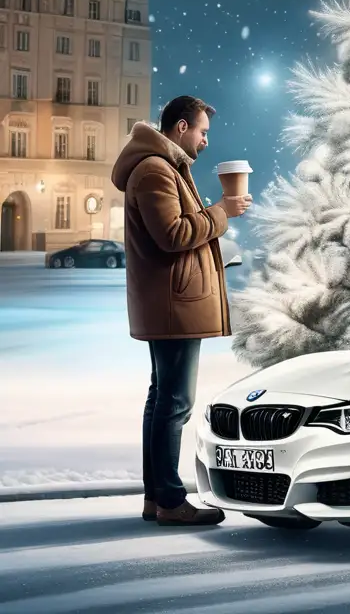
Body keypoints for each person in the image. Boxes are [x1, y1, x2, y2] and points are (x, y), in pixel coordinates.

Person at [111, 95, 251, 526]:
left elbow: (180, 233)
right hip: (174, 305)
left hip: (170, 301)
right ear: (181, 128)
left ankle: (158, 498)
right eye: (203, 131)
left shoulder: (165, 167)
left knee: (162, 400)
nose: (206, 141)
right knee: (174, 403)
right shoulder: (155, 169)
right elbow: (173, 235)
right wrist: (222, 213)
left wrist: (214, 240)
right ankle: (171, 500)